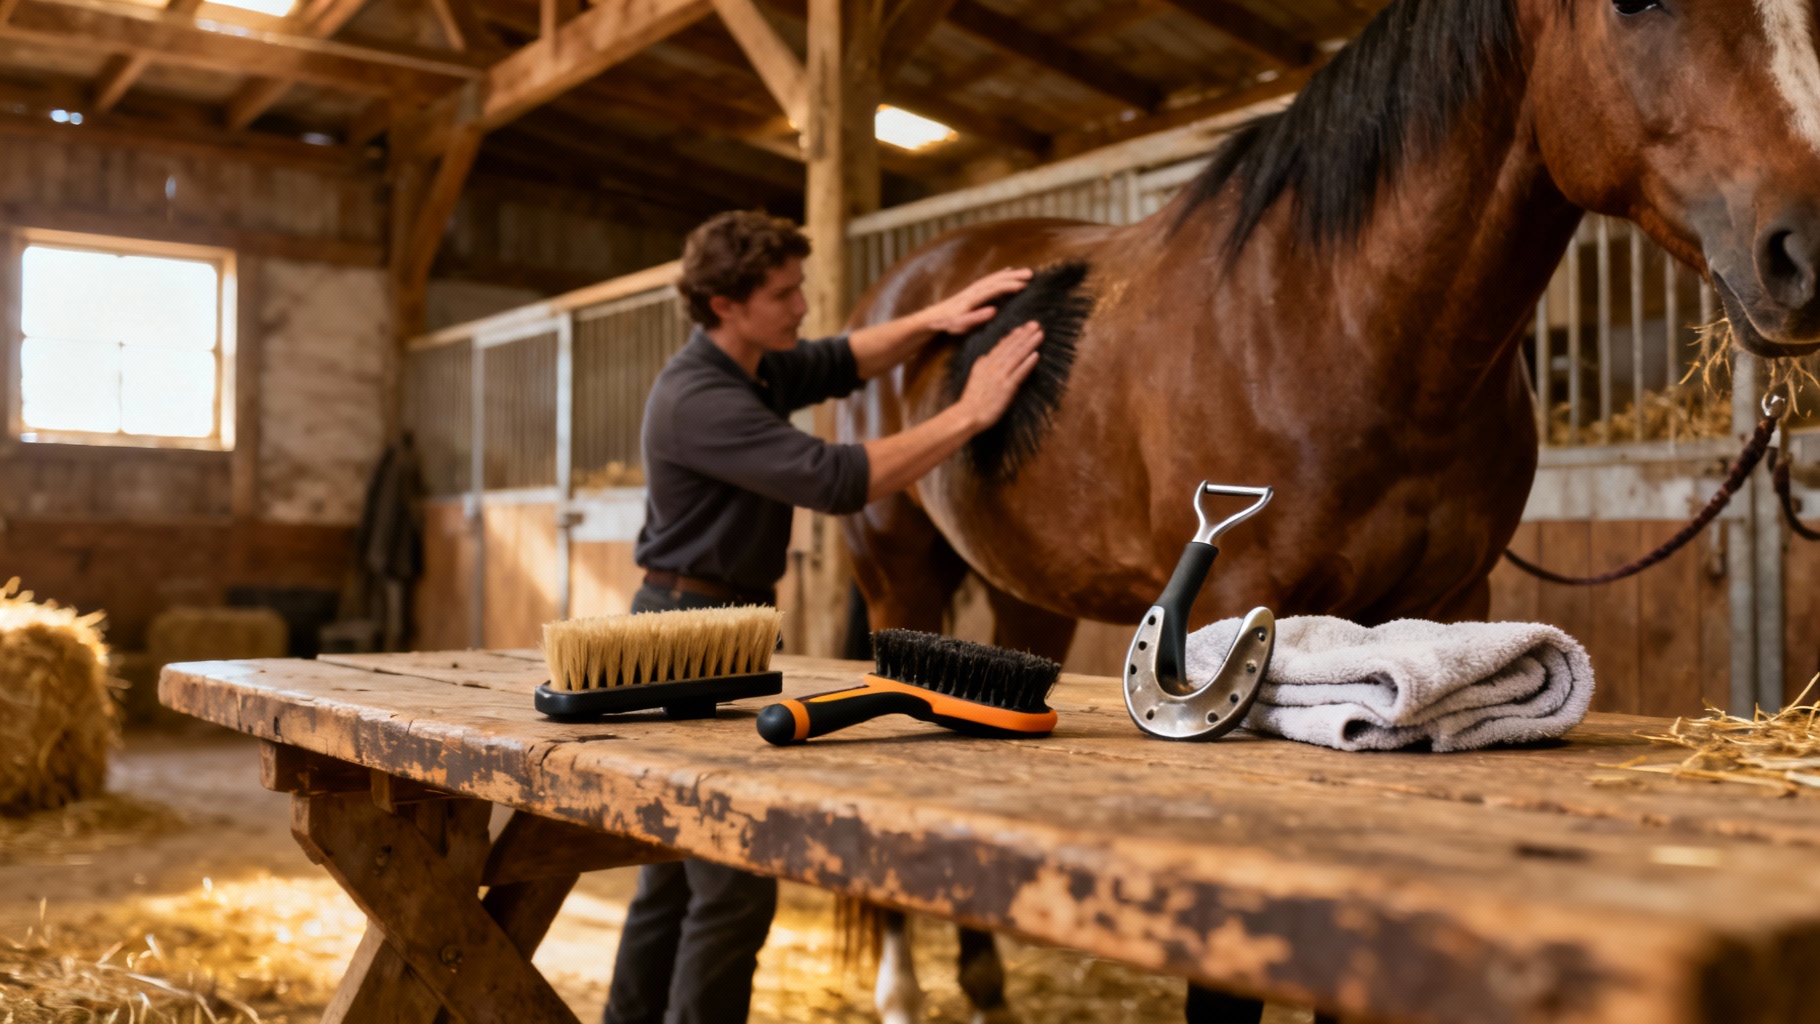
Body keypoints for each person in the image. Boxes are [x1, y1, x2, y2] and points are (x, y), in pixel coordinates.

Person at [602, 209, 1044, 1024]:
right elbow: (838, 479)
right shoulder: (701, 398)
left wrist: (936, 318)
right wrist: (971, 413)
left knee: (671, 877)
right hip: (687, 630)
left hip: (718, 622)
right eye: (783, 294)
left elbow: (843, 358)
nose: (802, 305)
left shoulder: (751, 366)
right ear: (726, 305)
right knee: (730, 886)